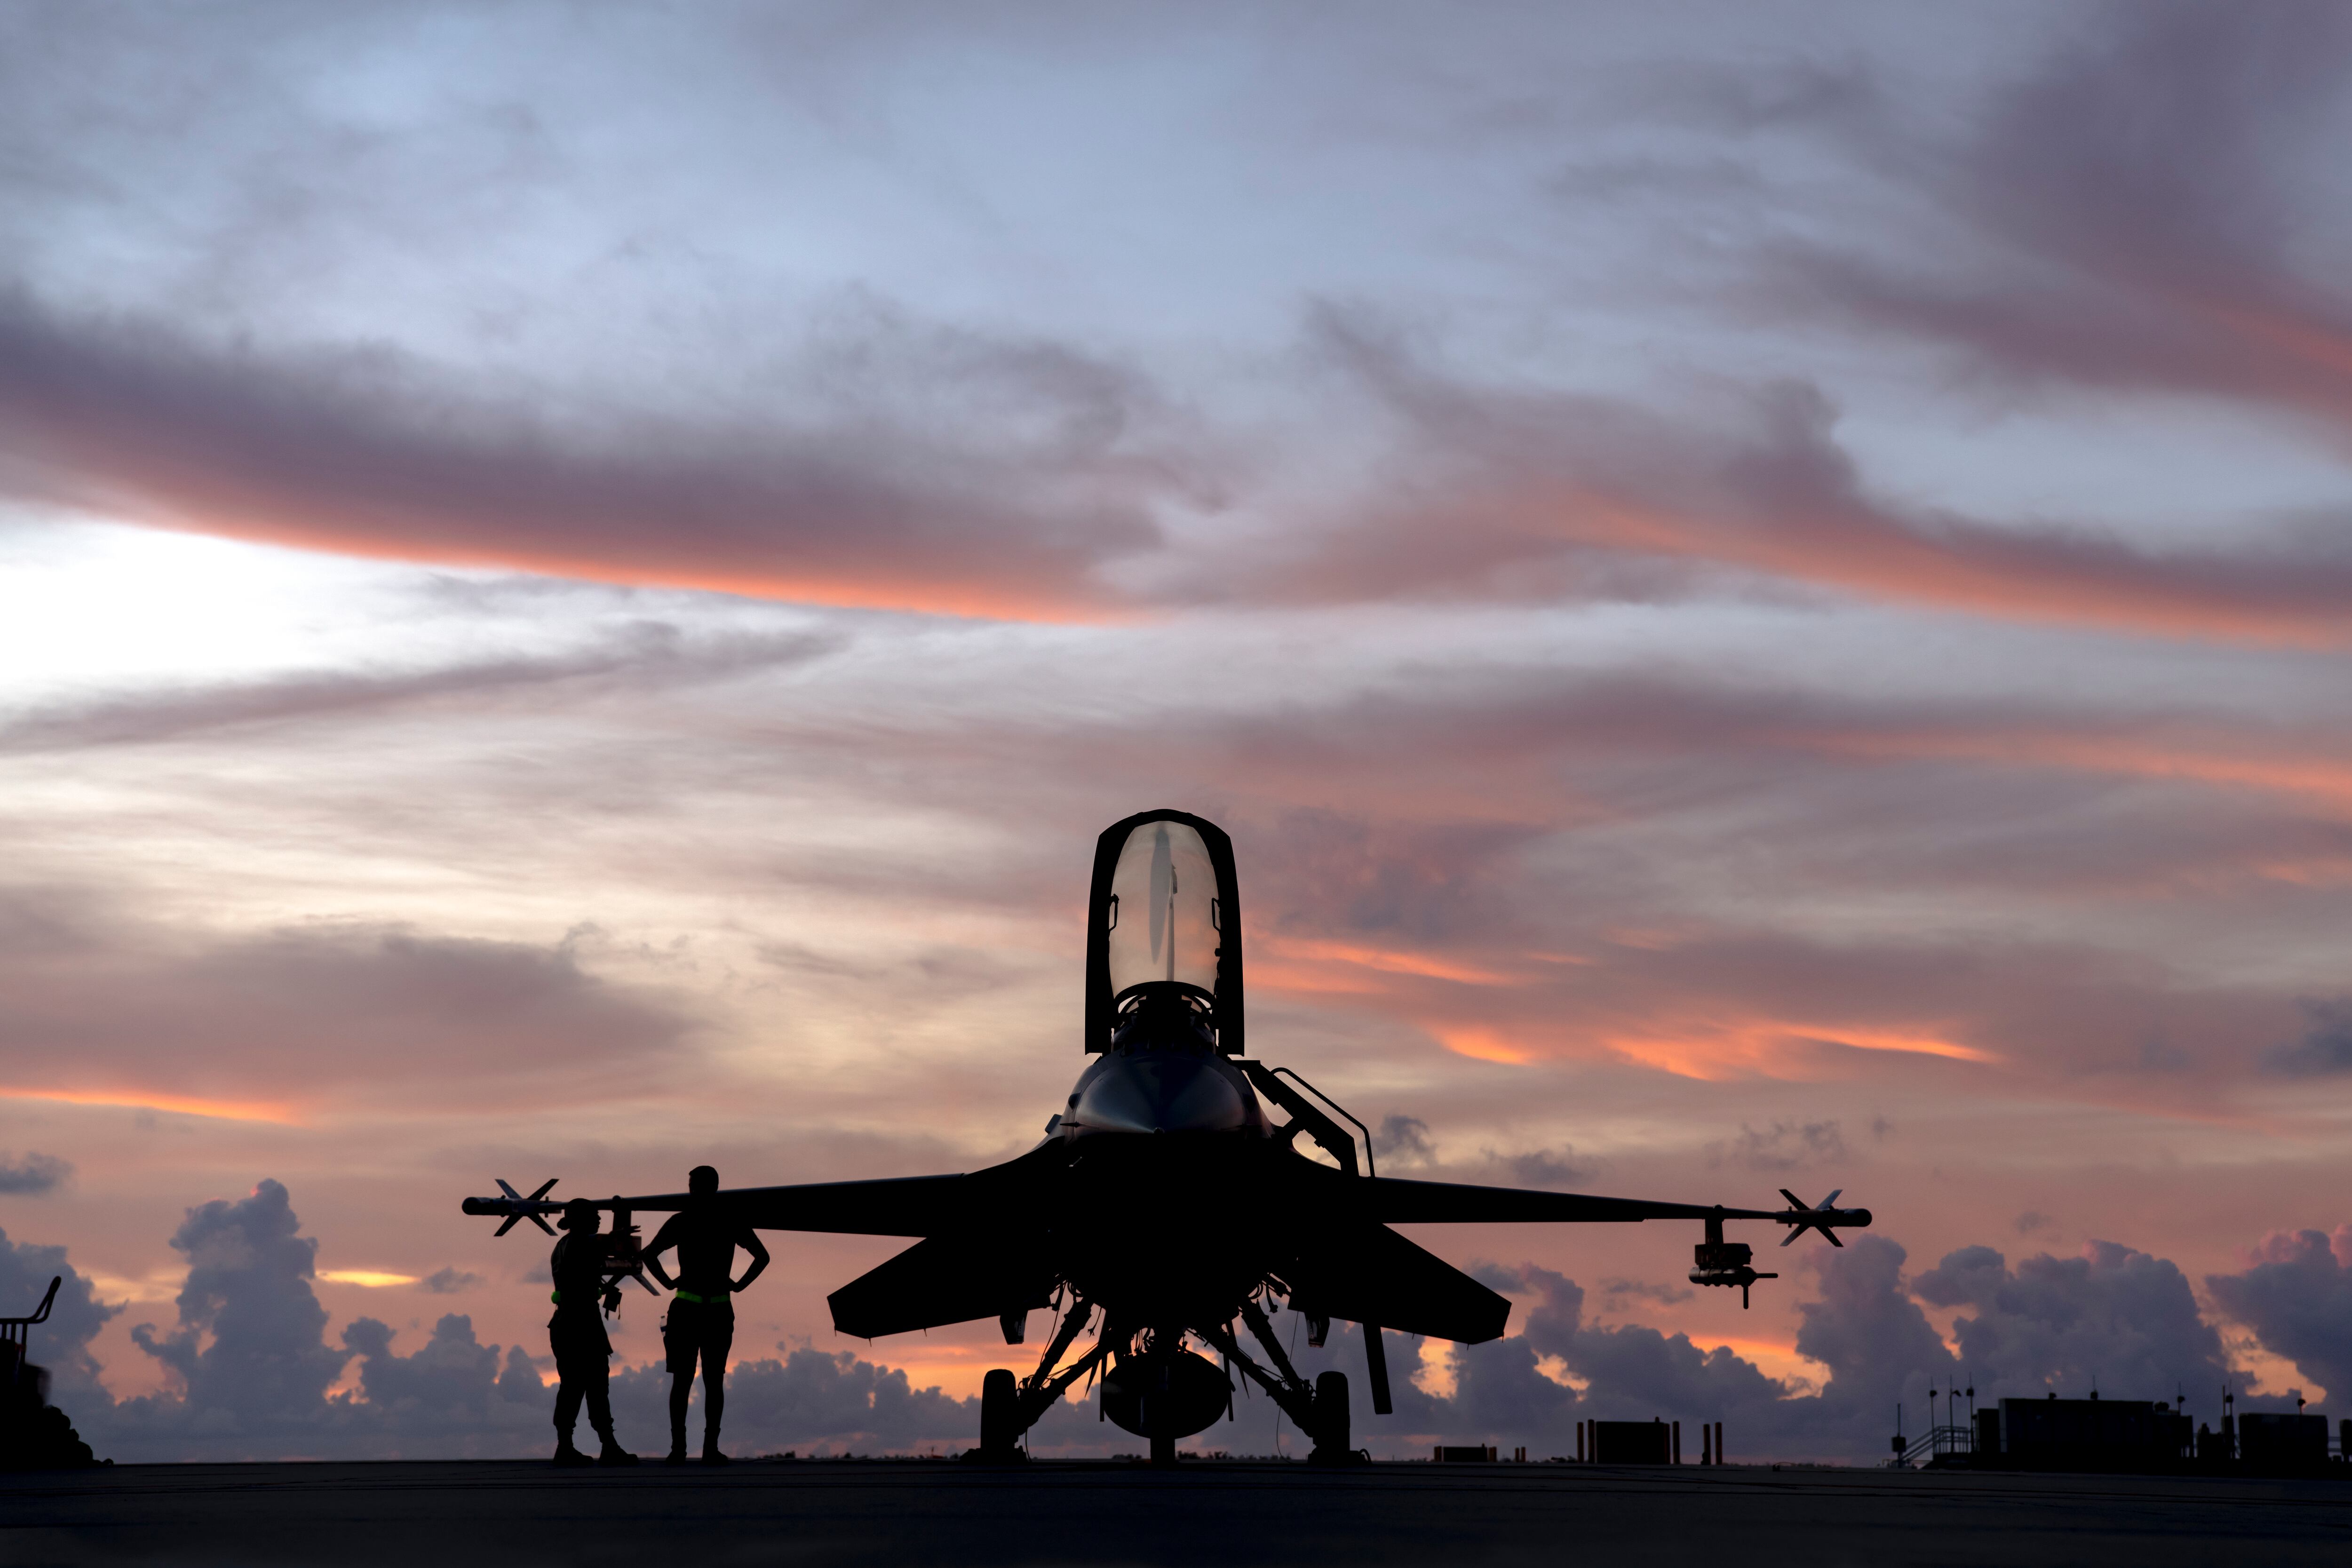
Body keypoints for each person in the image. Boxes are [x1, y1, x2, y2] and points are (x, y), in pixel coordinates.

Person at [642, 1166, 769, 1464]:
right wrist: (739, 1285)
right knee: (714, 1381)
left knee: (683, 1381)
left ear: (693, 1188)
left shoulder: (682, 1221)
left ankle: (679, 1450)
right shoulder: (731, 1220)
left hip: (686, 1309)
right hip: (718, 1309)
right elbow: (762, 1257)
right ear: (716, 1187)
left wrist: (668, 1282)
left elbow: (649, 1254)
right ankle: (709, 1449)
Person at [547, 1198, 636, 1467]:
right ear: (580, 1220)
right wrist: (620, 1229)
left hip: (565, 1324)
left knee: (571, 1387)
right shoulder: (585, 1245)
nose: (598, 1219)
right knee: (597, 1387)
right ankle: (608, 1446)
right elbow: (611, 1258)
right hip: (583, 1325)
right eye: (593, 1216)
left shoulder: (562, 1246)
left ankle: (566, 1446)